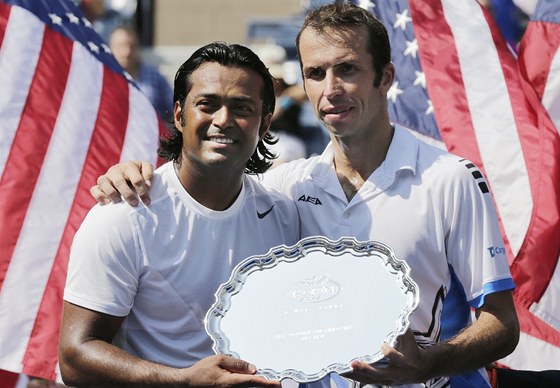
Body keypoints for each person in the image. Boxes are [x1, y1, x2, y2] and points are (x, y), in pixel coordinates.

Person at [89, 3, 520, 387]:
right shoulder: (286, 187)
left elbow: (502, 324)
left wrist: (424, 364)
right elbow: (202, 190)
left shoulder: (451, 178)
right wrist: (134, 175)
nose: (330, 88)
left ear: (385, 76)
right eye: (315, 73)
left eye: (347, 69)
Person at [59, 42, 301, 387]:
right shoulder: (124, 213)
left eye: (242, 107)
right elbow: (74, 358)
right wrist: (184, 381)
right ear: (178, 115)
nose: (223, 120)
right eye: (207, 104)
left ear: (263, 124)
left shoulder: (286, 215)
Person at [109, 25, 173, 122]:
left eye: (132, 46)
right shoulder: (104, 79)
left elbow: (173, 109)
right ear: (111, 48)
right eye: (121, 46)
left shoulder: (154, 75)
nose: (127, 52)